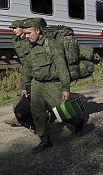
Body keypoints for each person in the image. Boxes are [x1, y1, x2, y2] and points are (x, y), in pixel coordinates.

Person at [20, 18, 84, 154]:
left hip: (52, 85)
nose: (26, 36)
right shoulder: (29, 46)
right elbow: (26, 68)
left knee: (63, 112)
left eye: (28, 33)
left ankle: (78, 123)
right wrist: (24, 86)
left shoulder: (52, 44)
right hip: (36, 84)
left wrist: (66, 88)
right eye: (24, 33)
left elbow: (62, 67)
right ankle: (45, 140)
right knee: (37, 113)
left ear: (38, 30)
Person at [4, 19, 32, 127]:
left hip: (32, 71)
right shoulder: (18, 40)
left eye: (16, 28)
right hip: (27, 70)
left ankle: (20, 117)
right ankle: (20, 117)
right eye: (12, 28)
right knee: (25, 94)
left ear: (23, 28)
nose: (13, 30)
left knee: (24, 94)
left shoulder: (29, 41)